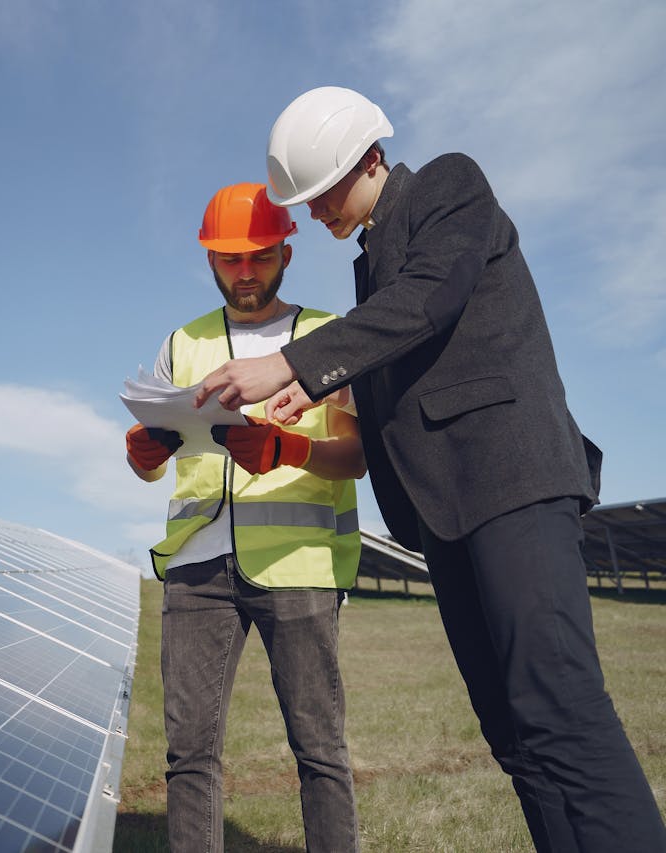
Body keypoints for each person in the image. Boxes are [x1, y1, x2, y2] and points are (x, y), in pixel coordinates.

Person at [194, 86, 666, 851]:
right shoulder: (373, 264)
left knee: (561, 712)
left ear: (371, 158)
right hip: (444, 510)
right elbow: (405, 352)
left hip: (512, 481)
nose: (314, 213)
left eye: (323, 192)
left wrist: (292, 362)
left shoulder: (451, 185)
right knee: (516, 739)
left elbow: (426, 302)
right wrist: (323, 392)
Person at [126, 182, 367, 853]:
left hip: (299, 565)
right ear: (209, 259)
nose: (244, 272)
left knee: (319, 749)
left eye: (258, 256)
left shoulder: (328, 336)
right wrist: (141, 453)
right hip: (197, 569)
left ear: (286, 252)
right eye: (228, 259)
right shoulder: (185, 341)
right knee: (189, 754)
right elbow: (157, 465)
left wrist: (289, 446)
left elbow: (357, 456)